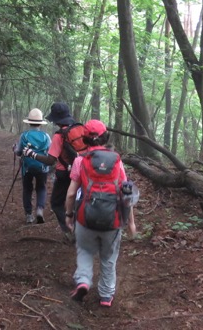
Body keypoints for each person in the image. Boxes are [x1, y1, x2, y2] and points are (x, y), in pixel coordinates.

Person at [64, 119, 137, 308]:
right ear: (105, 137)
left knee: (85, 251)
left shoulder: (80, 161)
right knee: (108, 258)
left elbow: (71, 193)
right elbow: (126, 194)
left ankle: (83, 281)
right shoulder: (117, 161)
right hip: (112, 221)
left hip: (85, 219)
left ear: (84, 139)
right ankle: (106, 296)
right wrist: (130, 223)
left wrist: (69, 215)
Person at [24, 102, 86, 241]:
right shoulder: (80, 129)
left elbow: (51, 160)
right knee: (78, 201)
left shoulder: (59, 136)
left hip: (65, 174)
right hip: (83, 171)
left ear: (56, 120)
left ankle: (70, 231)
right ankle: (81, 230)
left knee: (57, 203)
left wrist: (32, 154)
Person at [13, 108, 52, 224]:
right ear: (40, 123)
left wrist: (14, 149)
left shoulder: (24, 136)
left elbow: (19, 152)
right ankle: (40, 210)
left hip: (27, 168)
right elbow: (51, 153)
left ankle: (29, 215)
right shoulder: (46, 136)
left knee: (27, 189)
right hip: (43, 167)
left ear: (29, 122)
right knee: (41, 188)